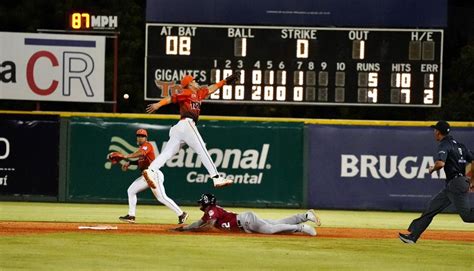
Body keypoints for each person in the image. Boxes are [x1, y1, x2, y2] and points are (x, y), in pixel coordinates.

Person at [144, 72, 240, 189]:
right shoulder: (186, 92)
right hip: (186, 124)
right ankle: (216, 178)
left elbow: (211, 88)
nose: (196, 82)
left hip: (180, 129)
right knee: (202, 149)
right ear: (189, 84)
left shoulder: (198, 94)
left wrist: (225, 81)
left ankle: (151, 170)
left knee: (167, 152)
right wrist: (158, 104)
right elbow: (171, 98)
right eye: (194, 81)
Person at [399, 120, 474, 244]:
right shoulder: (460, 146)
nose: (434, 132)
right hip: (454, 184)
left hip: (456, 184)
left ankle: (413, 236)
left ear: (438, 132)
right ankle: (413, 236)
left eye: (435, 130)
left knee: (467, 216)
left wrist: (432, 169)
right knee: (431, 209)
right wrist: (471, 180)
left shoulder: (444, 144)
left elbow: (440, 163)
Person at [111, 129, 188, 224]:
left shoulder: (147, 145)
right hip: (146, 175)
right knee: (131, 191)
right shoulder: (141, 149)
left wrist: (126, 157)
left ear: (146, 138)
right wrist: (130, 163)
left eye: (142, 136)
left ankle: (181, 214)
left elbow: (141, 153)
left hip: (153, 174)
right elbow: (141, 161)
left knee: (161, 198)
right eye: (138, 136)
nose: (140, 138)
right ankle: (131, 216)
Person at [173, 193, 321, 236]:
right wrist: (185, 228)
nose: (200, 204)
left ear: (206, 202)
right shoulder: (209, 212)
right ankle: (305, 216)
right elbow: (199, 223)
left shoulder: (211, 209)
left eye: (201, 202)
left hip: (245, 221)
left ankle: (301, 227)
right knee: (275, 224)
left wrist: (195, 231)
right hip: (245, 222)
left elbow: (208, 226)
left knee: (270, 230)